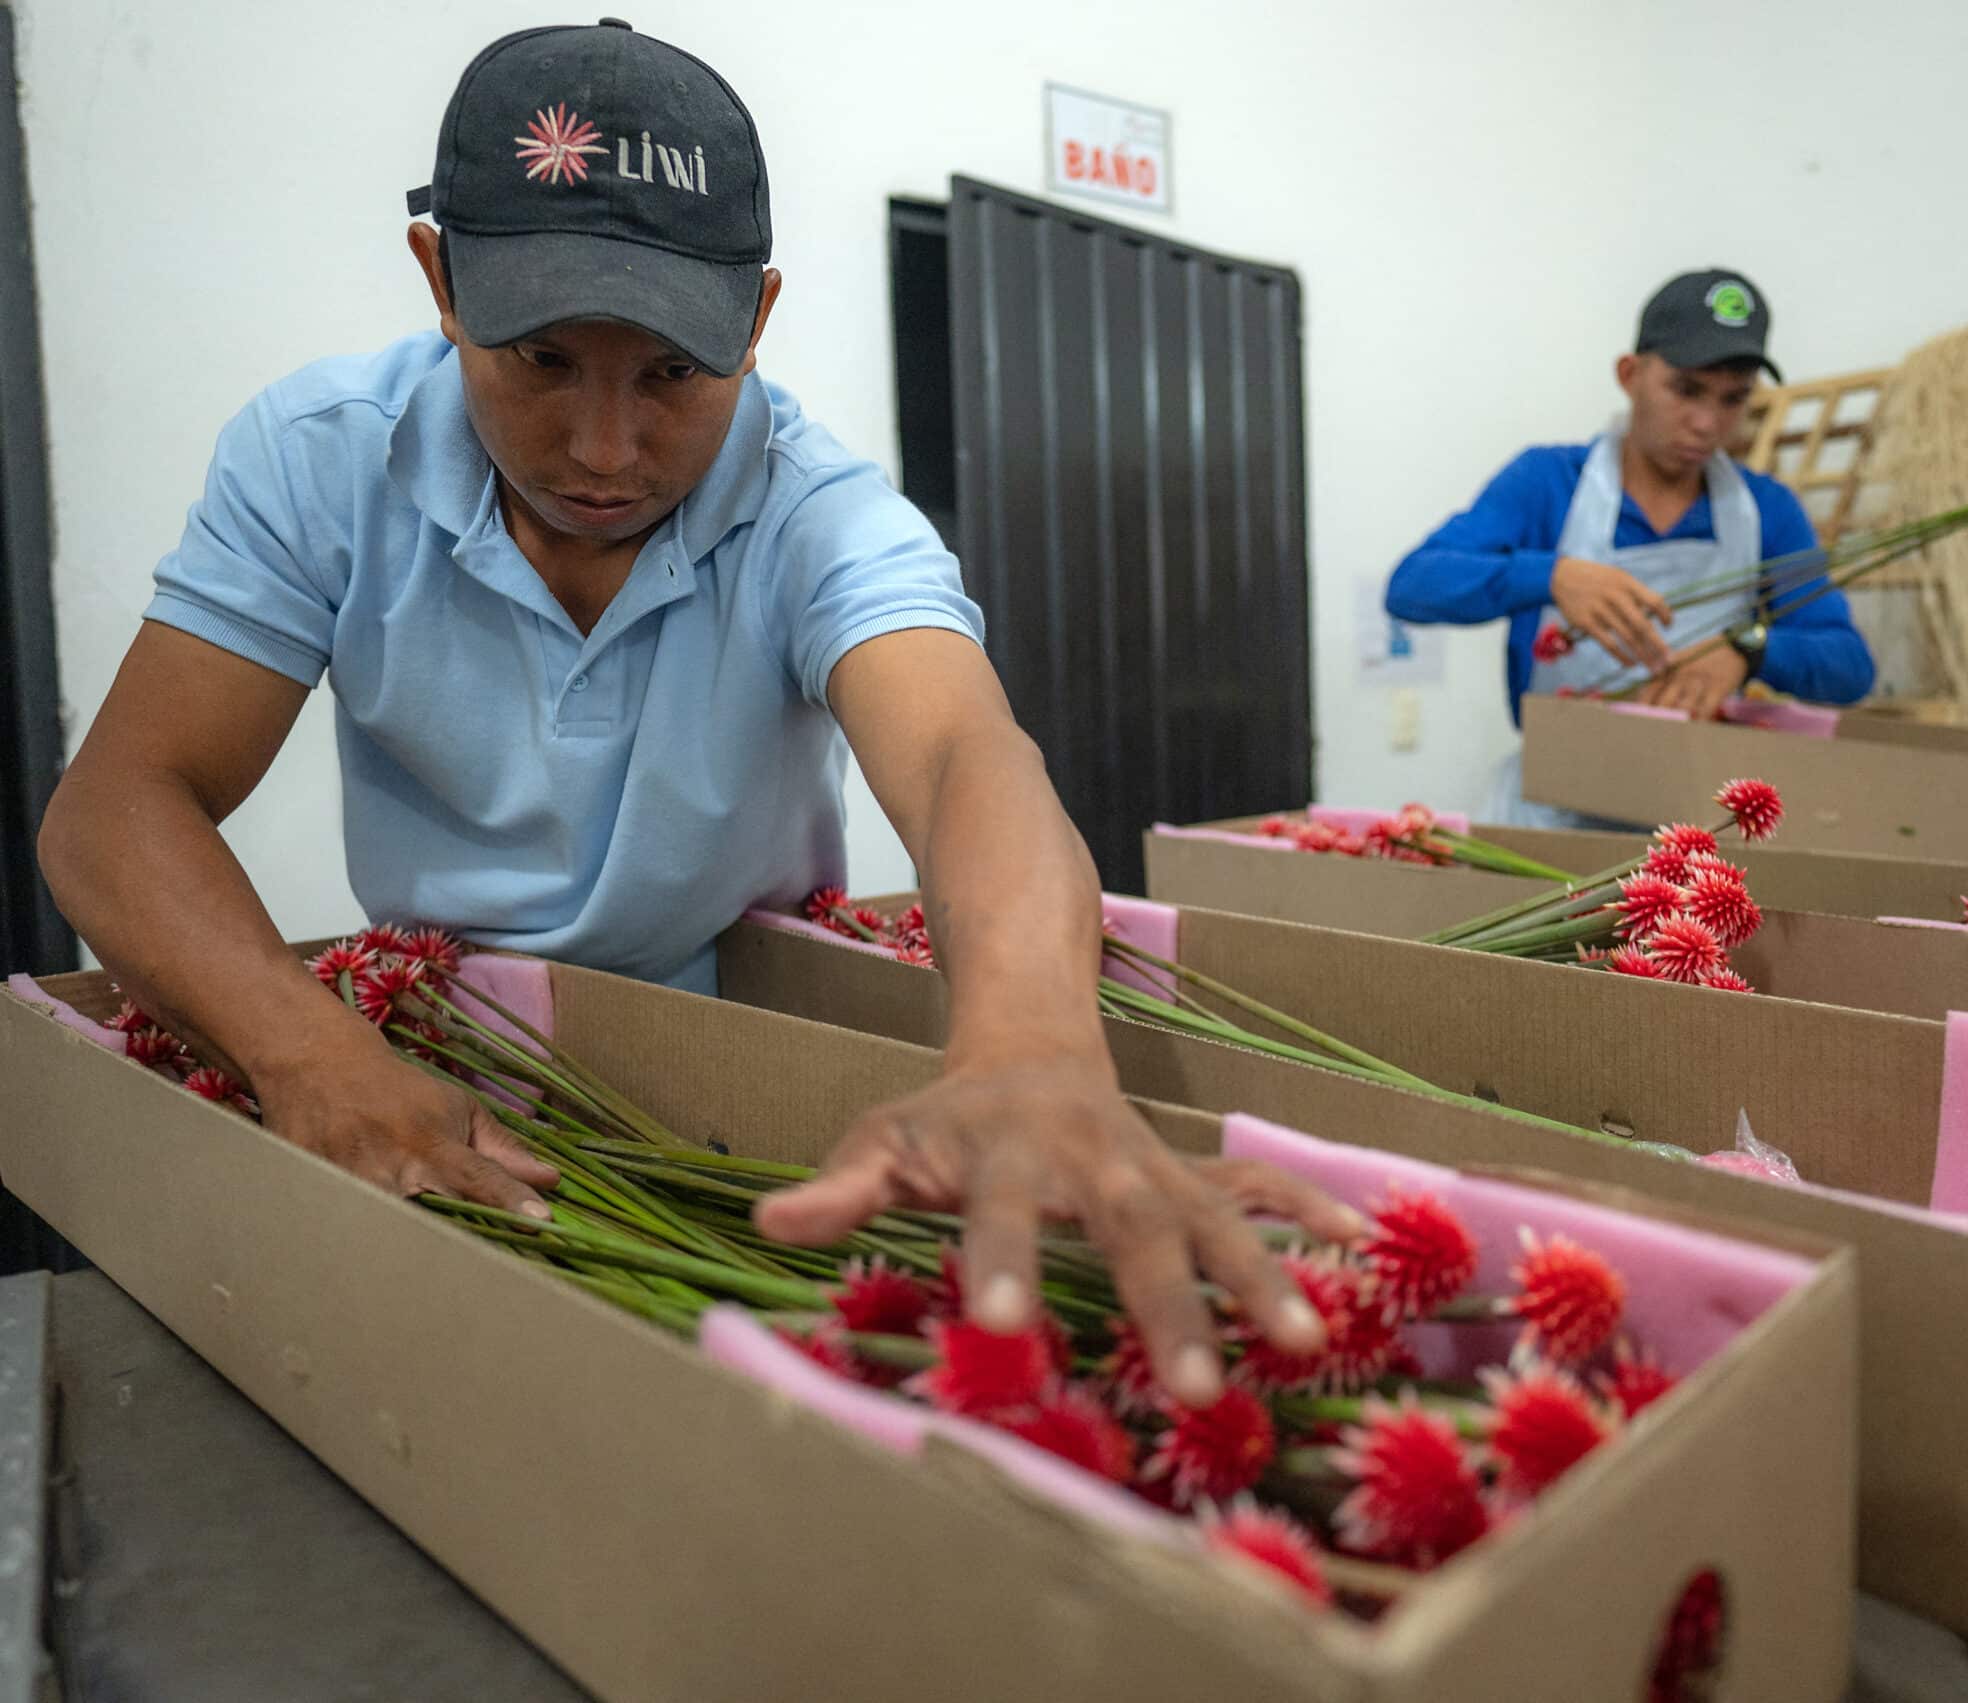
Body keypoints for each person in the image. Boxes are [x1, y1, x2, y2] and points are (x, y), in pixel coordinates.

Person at [36, 20, 1349, 1405]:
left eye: (673, 374)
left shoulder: (817, 515)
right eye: (541, 359)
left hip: (748, 1074)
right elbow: (118, 803)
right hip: (435, 1056)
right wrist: (309, 1049)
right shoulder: (318, 465)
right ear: (440, 279)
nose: (605, 449)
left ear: (759, 321)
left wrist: (1029, 1045)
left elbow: (967, 756)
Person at [1384, 269, 1876, 823]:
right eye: (1686, 390)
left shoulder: (1766, 511)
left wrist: (1750, 648)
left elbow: (1850, 668)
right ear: (1630, 374)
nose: (1705, 423)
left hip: (1698, 819)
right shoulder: (1548, 483)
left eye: (1732, 400)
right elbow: (1412, 585)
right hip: (1555, 809)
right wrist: (1550, 577)